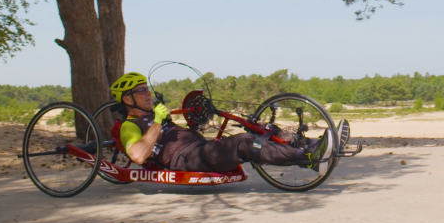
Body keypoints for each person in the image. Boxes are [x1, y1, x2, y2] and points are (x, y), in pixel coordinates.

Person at [109, 72, 333, 174]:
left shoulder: (155, 114)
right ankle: (306, 158)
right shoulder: (130, 126)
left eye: (147, 88)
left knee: (258, 131)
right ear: (128, 99)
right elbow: (137, 156)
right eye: (141, 91)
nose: (148, 94)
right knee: (243, 143)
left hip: (201, 149)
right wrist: (157, 122)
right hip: (187, 159)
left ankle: (313, 147)